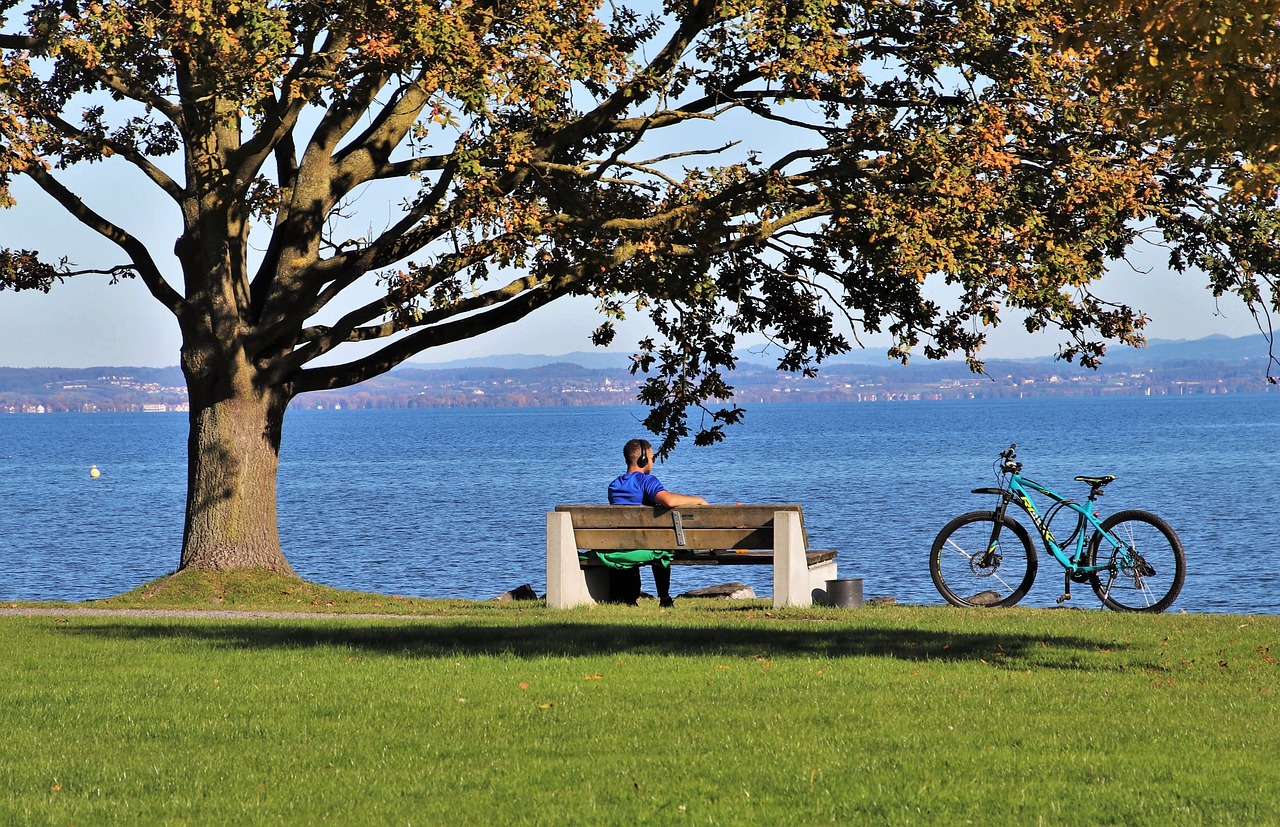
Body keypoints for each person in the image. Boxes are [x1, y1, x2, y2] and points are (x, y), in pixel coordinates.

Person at [598, 438, 708, 607]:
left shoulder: (614, 485)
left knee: (647, 542)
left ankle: (627, 598)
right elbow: (669, 501)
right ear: (643, 459)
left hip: (620, 546)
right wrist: (698, 500)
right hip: (645, 545)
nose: (653, 461)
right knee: (661, 546)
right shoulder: (647, 481)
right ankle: (664, 597)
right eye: (652, 457)